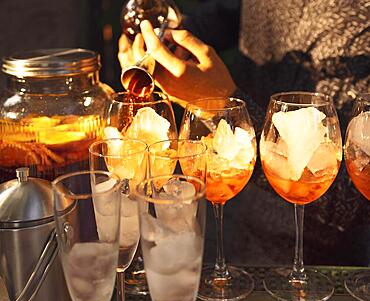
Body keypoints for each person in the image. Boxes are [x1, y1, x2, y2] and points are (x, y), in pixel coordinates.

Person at [118, 0, 370, 266]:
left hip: (315, 258)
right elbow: (233, 12)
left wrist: (221, 103)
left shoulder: (358, 24)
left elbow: (349, 202)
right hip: (237, 218)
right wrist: (166, 40)